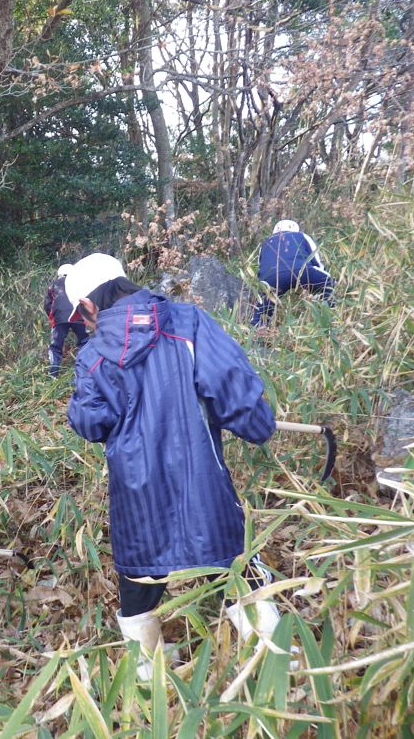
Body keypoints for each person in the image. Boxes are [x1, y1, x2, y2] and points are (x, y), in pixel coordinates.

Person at [64, 253, 290, 679]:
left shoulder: (93, 354)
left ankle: (149, 679)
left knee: (140, 577)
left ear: (90, 306)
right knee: (230, 561)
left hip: (136, 491)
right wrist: (259, 425)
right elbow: (231, 387)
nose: (84, 323)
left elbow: (91, 423)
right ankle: (276, 667)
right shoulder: (188, 322)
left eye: (81, 315)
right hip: (202, 479)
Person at [250, 219, 336, 326]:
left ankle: (257, 332)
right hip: (300, 270)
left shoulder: (265, 244)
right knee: (328, 284)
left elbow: (261, 269)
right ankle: (329, 316)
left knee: (263, 310)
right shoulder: (302, 236)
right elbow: (315, 260)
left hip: (271, 278)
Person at [43, 264, 89, 377]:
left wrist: (52, 317)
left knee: (55, 346)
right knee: (85, 342)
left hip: (59, 318)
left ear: (59, 274)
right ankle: (84, 371)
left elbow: (47, 305)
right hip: (77, 315)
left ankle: (53, 374)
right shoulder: (80, 283)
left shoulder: (53, 285)